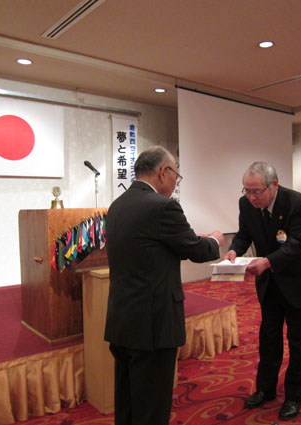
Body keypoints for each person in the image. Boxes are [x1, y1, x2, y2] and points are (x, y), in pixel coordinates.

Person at [104, 146, 223, 425]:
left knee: (127, 402)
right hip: (153, 325)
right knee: (152, 408)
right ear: (163, 172)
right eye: (176, 176)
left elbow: (148, 250)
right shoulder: (162, 206)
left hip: (123, 320)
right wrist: (214, 240)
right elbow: (197, 251)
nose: (174, 183)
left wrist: (186, 240)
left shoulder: (117, 206)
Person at [224, 161, 301, 421]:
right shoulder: (246, 204)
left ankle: (294, 397)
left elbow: (297, 244)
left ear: (274, 185)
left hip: (299, 282)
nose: (251, 197)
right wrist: (234, 250)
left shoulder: (297, 202)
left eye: (256, 191)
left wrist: (267, 262)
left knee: (299, 342)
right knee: (268, 339)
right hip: (270, 284)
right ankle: (265, 389)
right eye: (246, 190)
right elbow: (244, 234)